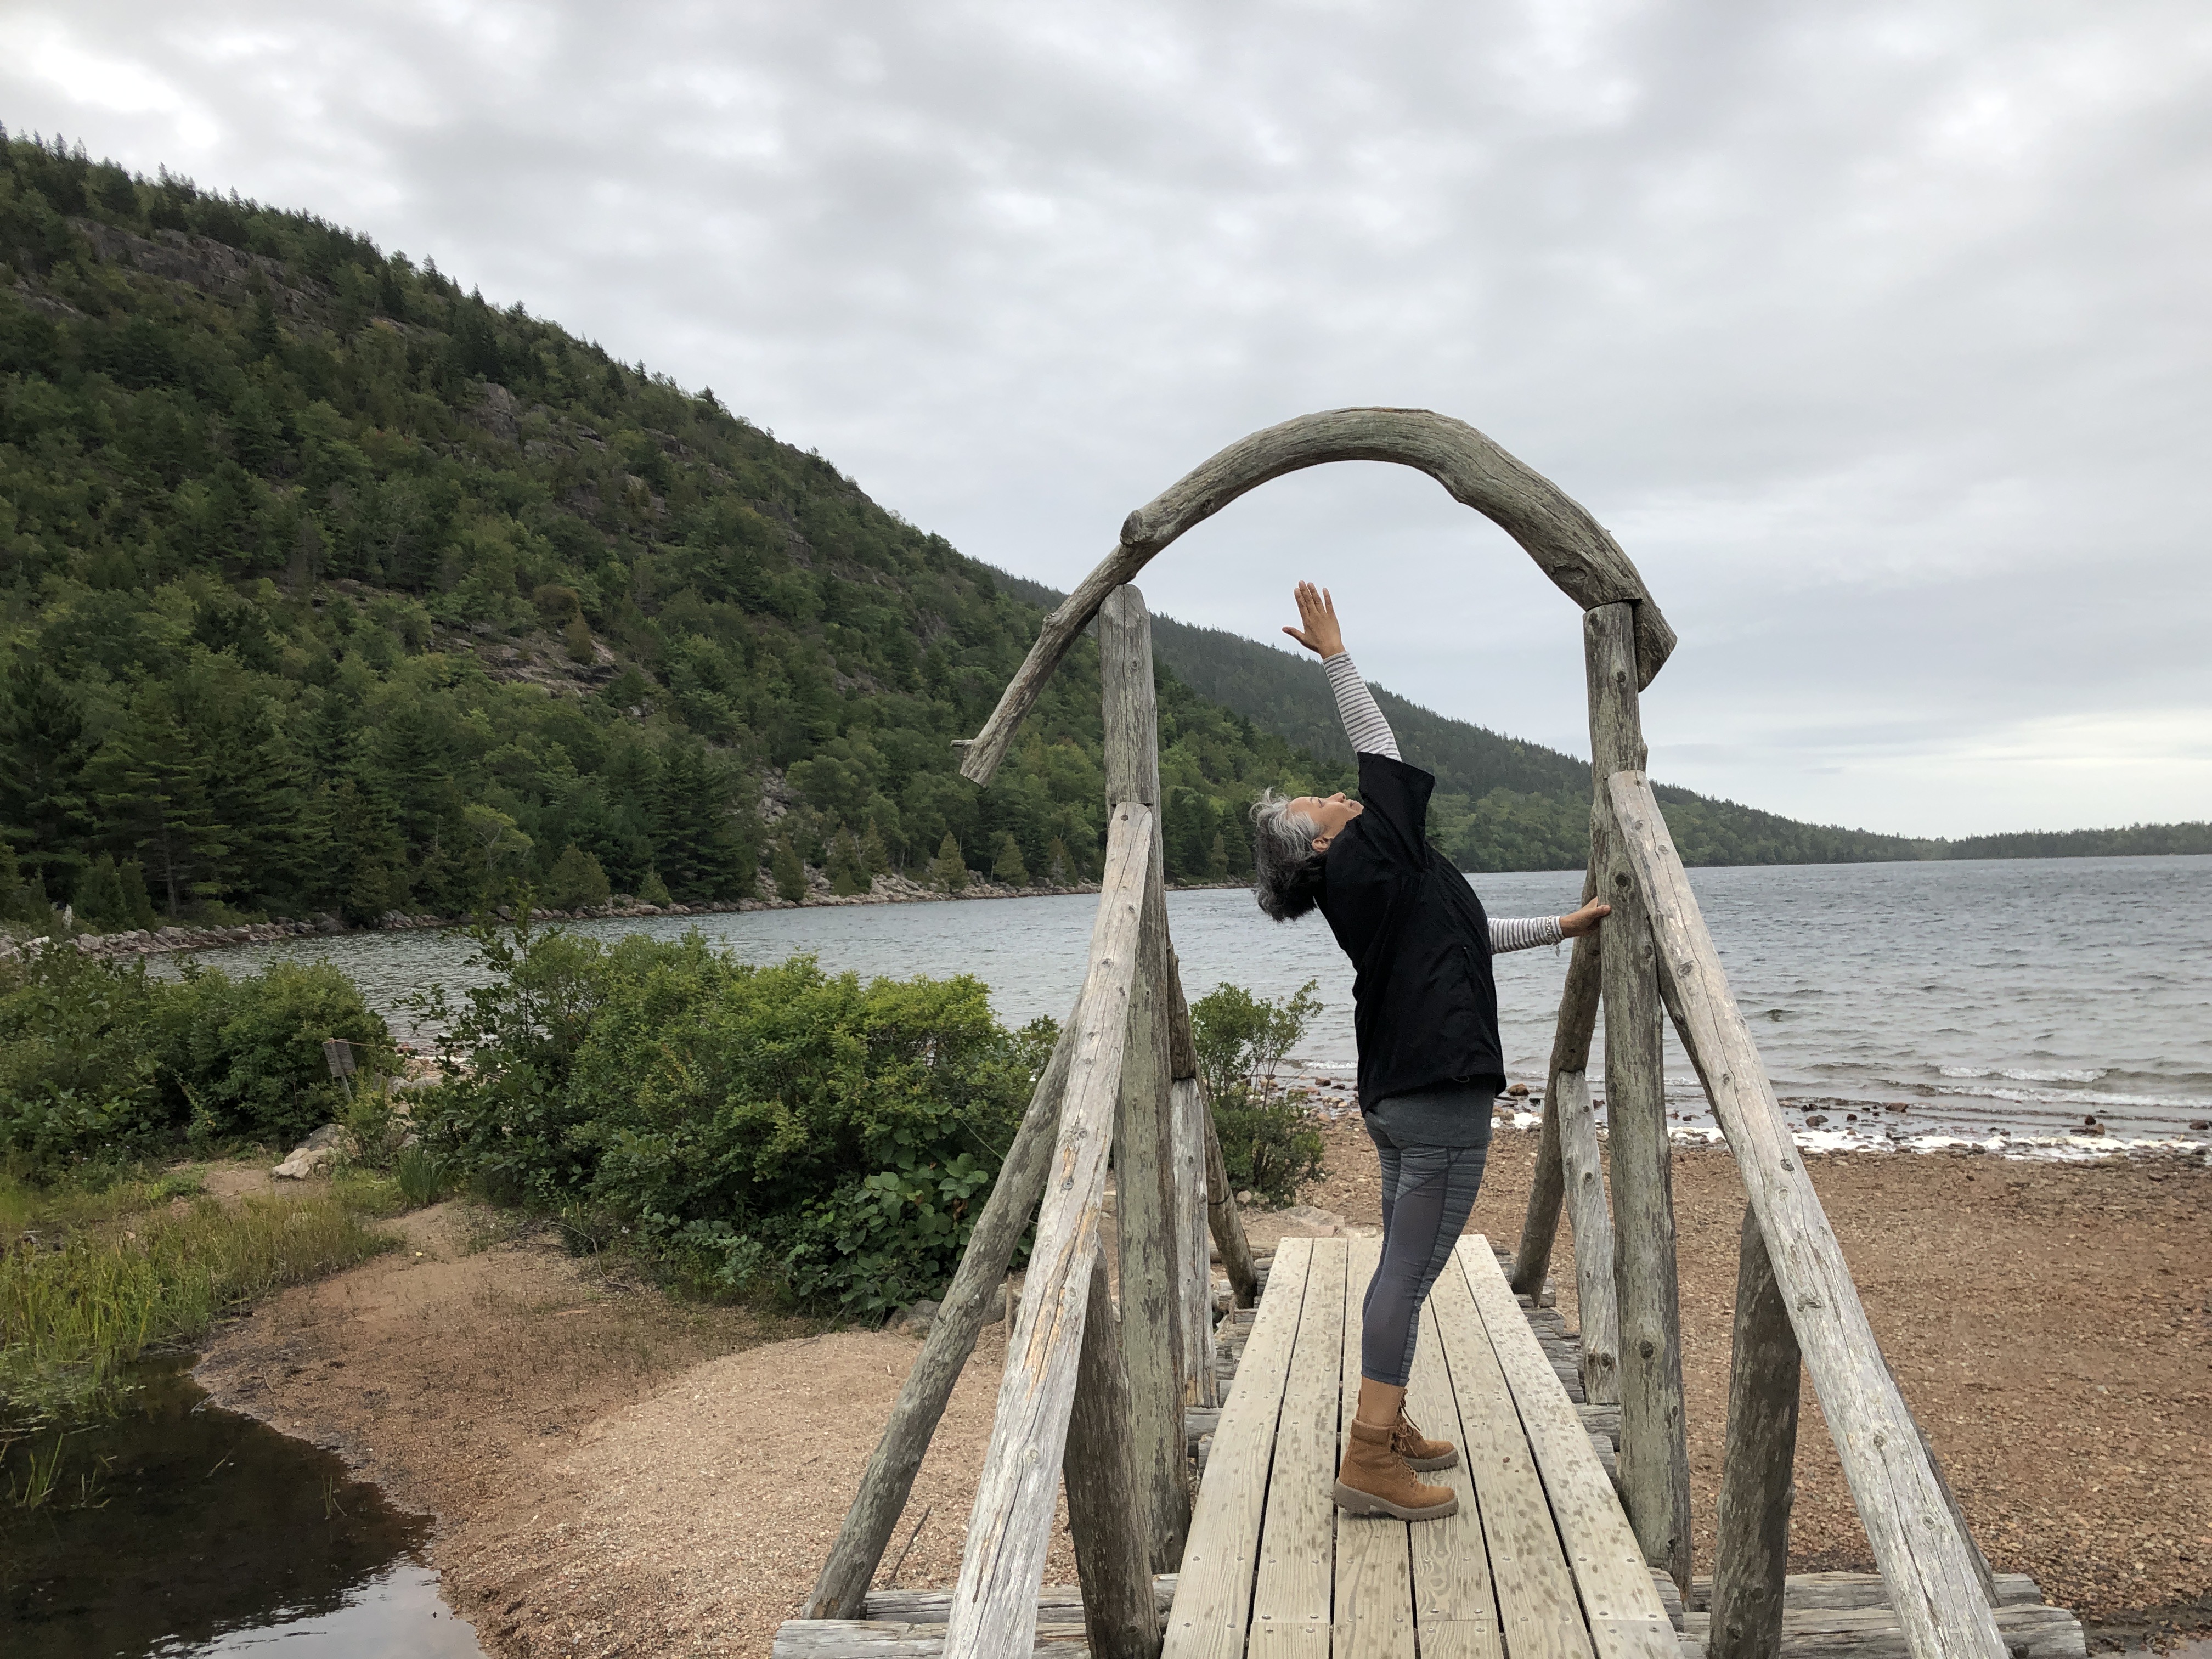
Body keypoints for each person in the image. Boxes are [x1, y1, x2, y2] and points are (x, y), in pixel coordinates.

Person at [1250, 582, 1609, 1522]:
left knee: (1402, 1266)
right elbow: (1385, 752)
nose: (1340, 794)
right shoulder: (1372, 855)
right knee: (1409, 1272)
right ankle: (1370, 1457)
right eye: (1322, 802)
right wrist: (1337, 655)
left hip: (1395, 1090)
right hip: (1437, 1086)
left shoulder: (1383, 875)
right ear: (1318, 845)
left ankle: (1389, 1419)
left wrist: (1563, 926)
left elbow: (1465, 938)